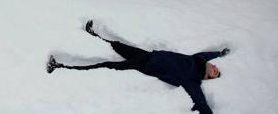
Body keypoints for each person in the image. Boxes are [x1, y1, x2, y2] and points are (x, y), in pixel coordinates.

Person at [46, 20, 230, 114]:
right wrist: (220, 53)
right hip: (148, 55)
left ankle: (62, 66)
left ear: (208, 77)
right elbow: (208, 55)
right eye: (215, 67)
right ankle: (93, 33)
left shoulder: (192, 79)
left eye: (215, 71)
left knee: (106, 64)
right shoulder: (198, 60)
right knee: (118, 45)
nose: (214, 66)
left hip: (145, 64)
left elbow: (200, 101)